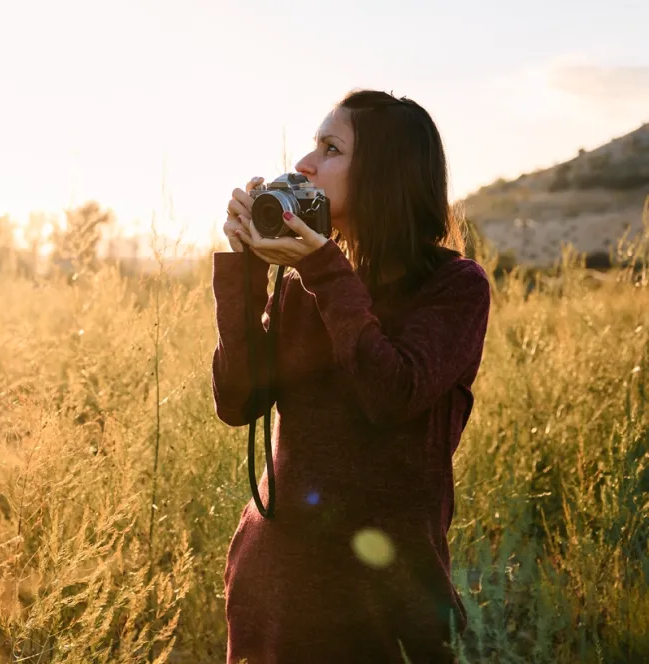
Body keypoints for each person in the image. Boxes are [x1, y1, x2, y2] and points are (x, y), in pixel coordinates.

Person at [211, 89, 491, 663]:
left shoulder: (453, 287)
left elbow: (391, 393)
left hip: (385, 602)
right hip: (275, 590)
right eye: (312, 146)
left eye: (330, 148)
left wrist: (321, 269)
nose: (304, 165)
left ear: (385, 174)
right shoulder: (308, 277)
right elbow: (238, 401)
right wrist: (244, 269)